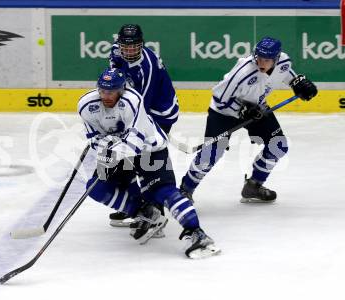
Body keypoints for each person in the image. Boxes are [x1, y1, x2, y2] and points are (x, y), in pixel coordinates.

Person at [78, 67, 220, 258]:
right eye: (103, 91)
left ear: (122, 90)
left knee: (163, 192)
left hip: (150, 149)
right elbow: (95, 139)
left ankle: (196, 233)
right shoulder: (87, 106)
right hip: (120, 151)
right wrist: (104, 149)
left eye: (111, 91)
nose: (106, 96)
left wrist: (110, 152)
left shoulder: (132, 101)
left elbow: (134, 145)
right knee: (96, 187)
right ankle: (145, 213)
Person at [180, 37, 318, 203]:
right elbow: (220, 97)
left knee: (278, 145)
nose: (261, 63)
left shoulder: (283, 61)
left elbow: (288, 73)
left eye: (266, 60)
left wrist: (299, 83)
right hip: (224, 112)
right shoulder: (243, 71)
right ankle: (185, 190)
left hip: (257, 108)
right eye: (258, 57)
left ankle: (254, 185)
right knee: (212, 153)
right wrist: (243, 109)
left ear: (276, 58)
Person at [108, 23, 179, 226]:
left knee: (148, 160)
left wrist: (122, 126)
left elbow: (141, 109)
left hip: (159, 113)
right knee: (127, 160)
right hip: (143, 108)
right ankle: (135, 205)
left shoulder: (146, 68)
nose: (129, 51)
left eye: (134, 46)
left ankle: (156, 212)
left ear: (141, 45)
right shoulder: (115, 51)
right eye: (126, 46)